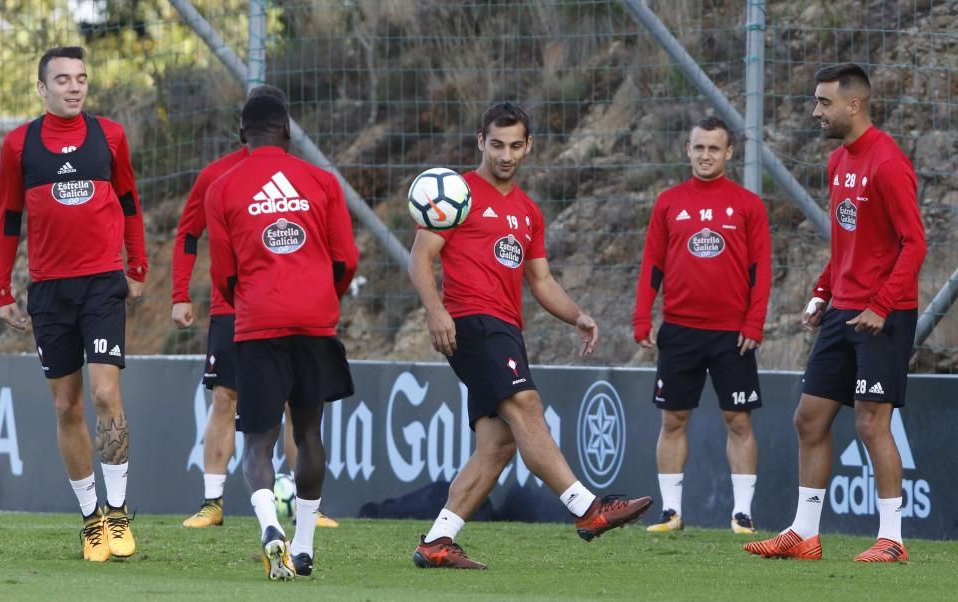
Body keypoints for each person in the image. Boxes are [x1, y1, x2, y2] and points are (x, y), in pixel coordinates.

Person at [408, 102, 653, 570]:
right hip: (472, 323)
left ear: (529, 146)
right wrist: (436, 311)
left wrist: (576, 314)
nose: (505, 154)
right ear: (481, 141)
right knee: (528, 406)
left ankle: (438, 541)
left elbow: (540, 281)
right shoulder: (456, 193)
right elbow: (419, 258)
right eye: (496, 144)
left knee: (497, 446)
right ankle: (586, 507)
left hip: (506, 328)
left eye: (515, 145)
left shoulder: (527, 212)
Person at [744, 63, 926, 563]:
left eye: (824, 102)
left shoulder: (887, 163)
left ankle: (892, 539)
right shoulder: (837, 162)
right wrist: (824, 290)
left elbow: (915, 245)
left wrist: (882, 305)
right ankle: (804, 534)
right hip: (842, 310)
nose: (815, 111)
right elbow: (848, 241)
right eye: (816, 101)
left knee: (871, 424)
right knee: (810, 419)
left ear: (854, 104)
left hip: (883, 315)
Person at [0, 46, 147, 562]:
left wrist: (138, 265)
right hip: (49, 290)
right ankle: (91, 520)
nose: (74, 86)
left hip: (103, 283)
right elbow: (9, 218)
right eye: (62, 79)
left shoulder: (110, 136)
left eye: (81, 77)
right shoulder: (19, 145)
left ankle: (120, 511)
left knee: (105, 394)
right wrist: (1, 289)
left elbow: (129, 201)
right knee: (67, 405)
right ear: (42, 89)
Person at [171, 84, 337, 530]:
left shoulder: (306, 178)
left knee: (294, 405)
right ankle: (212, 502)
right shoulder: (218, 178)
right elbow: (189, 233)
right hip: (233, 309)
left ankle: (305, 505)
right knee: (226, 396)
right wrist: (180, 293)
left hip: (286, 310)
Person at [205, 95, 358, 580]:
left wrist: (254, 296)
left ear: (241, 134)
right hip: (315, 323)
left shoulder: (222, 189)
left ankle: (271, 527)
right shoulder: (323, 182)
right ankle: (306, 543)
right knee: (309, 432)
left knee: (258, 443)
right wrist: (320, 296)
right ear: (288, 131)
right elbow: (347, 258)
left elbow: (223, 273)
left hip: (257, 325)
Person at [633, 116, 772, 534]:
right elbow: (652, 265)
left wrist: (755, 321)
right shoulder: (669, 202)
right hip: (679, 330)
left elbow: (760, 269)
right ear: (688, 150)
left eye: (714, 148)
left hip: (733, 334)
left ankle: (742, 513)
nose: (706, 155)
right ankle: (670, 512)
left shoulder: (748, 205)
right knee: (672, 421)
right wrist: (643, 315)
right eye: (699, 148)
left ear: (729, 153)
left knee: (739, 421)